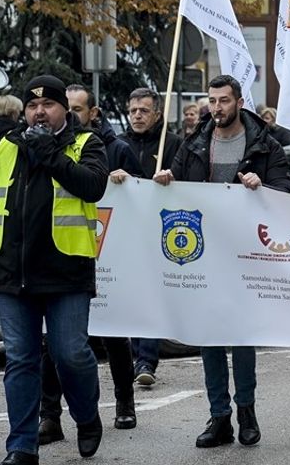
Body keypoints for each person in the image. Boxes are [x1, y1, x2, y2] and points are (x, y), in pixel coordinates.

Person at [0, 74, 110, 465]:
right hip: (13, 272)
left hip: (66, 272)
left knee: (71, 354)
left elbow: (93, 187)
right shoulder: (9, 146)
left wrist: (50, 153)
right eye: (31, 106)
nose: (39, 112)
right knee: (20, 360)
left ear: (63, 109)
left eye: (47, 105)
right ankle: (21, 446)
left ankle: (87, 417)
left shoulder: (86, 143)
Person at [153, 75, 290, 449]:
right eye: (212, 101)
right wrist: (165, 179)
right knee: (209, 336)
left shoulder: (265, 145)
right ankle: (219, 417)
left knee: (241, 335)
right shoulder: (195, 142)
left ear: (239, 101)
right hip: (203, 253)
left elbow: (285, 192)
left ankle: (246, 410)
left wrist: (261, 187)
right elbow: (176, 185)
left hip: (246, 253)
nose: (217, 108)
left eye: (224, 101)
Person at [32, 85, 140, 444]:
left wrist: (125, 180)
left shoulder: (114, 148)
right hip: (70, 252)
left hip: (112, 251)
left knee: (113, 332)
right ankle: (51, 415)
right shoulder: (46, 142)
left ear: (91, 113)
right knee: (56, 345)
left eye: (78, 109)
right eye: (70, 107)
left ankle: (125, 400)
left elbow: (143, 197)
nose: (73, 114)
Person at [112, 87, 183, 385]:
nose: (137, 116)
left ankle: (146, 361)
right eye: (133, 111)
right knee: (129, 294)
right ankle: (133, 355)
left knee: (150, 292)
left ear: (157, 113)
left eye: (144, 110)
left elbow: (185, 178)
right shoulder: (119, 144)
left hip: (159, 226)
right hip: (126, 229)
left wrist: (170, 177)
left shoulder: (173, 143)